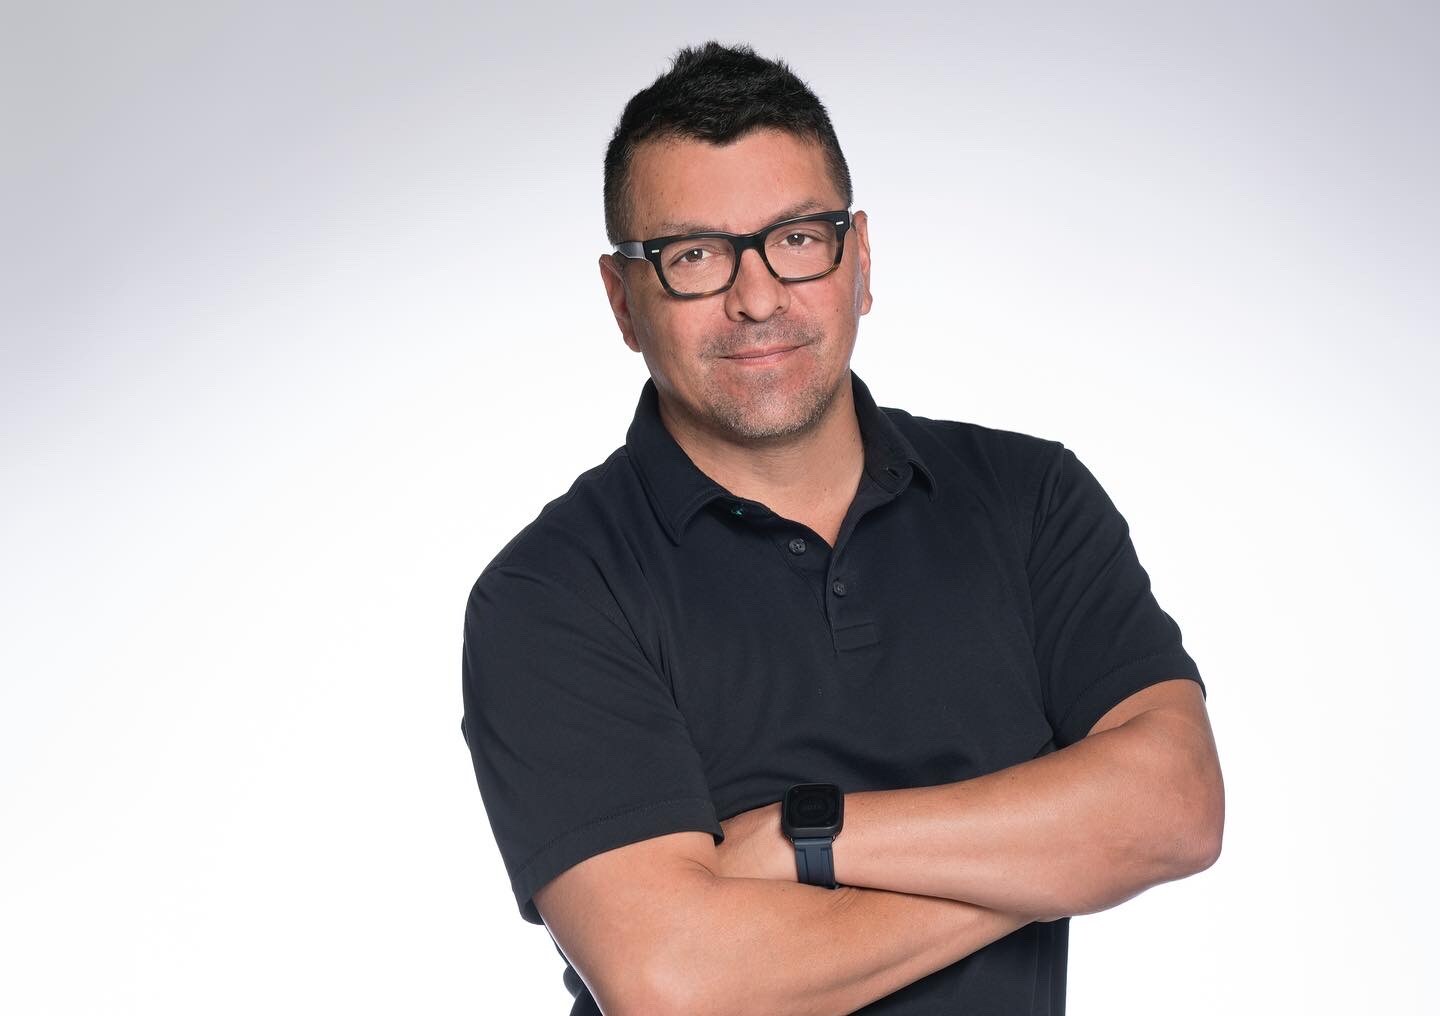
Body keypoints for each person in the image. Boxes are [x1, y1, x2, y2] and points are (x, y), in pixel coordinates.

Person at [460, 41, 1224, 1016]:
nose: (757, 298)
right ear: (623, 301)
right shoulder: (553, 592)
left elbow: (1176, 805)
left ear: (859, 258)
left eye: (797, 238)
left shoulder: (1028, 498)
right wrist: (1057, 851)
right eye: (694, 256)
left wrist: (806, 835)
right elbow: (676, 984)